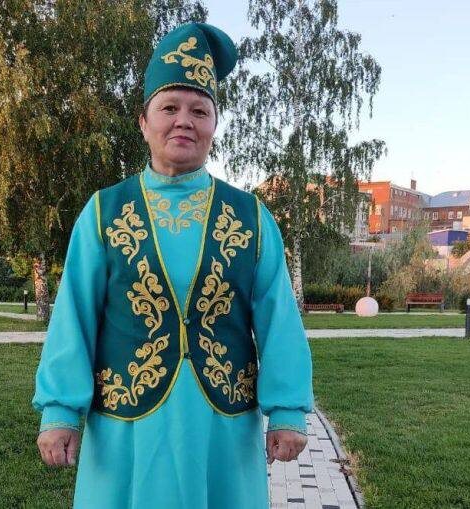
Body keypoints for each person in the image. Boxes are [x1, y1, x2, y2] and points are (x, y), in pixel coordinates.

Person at [32, 22, 313, 509]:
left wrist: (288, 410)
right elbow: (74, 314)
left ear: (214, 125)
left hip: (222, 427)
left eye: (199, 111)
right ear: (144, 122)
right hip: (127, 426)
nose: (184, 121)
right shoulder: (104, 212)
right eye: (169, 108)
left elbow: (278, 317)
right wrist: (59, 410)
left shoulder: (250, 217)